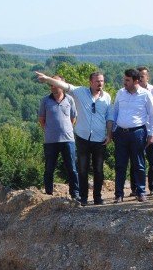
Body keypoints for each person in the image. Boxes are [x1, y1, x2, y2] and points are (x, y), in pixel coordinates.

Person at [35, 70, 111, 205]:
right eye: (97, 81)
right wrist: (47, 78)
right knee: (81, 169)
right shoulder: (80, 92)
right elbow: (63, 86)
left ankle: (97, 198)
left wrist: (109, 134)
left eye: (102, 81)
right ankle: (82, 198)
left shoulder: (107, 97)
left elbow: (107, 117)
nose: (100, 83)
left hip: (98, 138)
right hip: (80, 138)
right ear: (90, 82)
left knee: (98, 170)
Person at [106, 68, 153, 202]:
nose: (124, 82)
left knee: (139, 164)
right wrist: (112, 131)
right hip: (121, 133)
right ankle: (119, 194)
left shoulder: (145, 95)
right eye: (124, 79)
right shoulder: (120, 93)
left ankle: (140, 192)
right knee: (120, 165)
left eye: (127, 80)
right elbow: (115, 112)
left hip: (138, 133)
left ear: (136, 81)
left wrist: (152, 134)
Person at [37, 76, 79, 200]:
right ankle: (49, 194)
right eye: (50, 84)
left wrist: (65, 129)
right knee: (49, 168)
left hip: (68, 139)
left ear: (62, 84)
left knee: (72, 168)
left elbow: (73, 118)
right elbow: (41, 119)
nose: (52, 86)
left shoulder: (70, 100)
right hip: (50, 141)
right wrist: (50, 131)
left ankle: (75, 193)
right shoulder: (45, 100)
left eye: (54, 83)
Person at [136, 66, 153, 196]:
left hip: (151, 130)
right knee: (136, 160)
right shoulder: (132, 92)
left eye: (142, 76)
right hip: (137, 131)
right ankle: (136, 187)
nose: (140, 78)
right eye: (138, 76)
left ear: (148, 77)